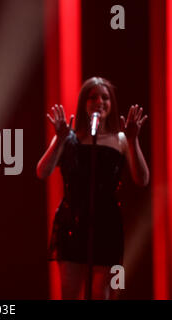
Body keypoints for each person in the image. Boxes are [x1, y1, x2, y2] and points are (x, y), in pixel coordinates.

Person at [36, 77, 149, 299]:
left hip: (107, 224)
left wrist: (133, 140)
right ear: (83, 103)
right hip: (72, 222)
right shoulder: (68, 137)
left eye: (105, 97)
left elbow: (142, 179)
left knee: (101, 292)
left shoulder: (121, 140)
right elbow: (42, 171)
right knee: (70, 291)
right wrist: (59, 140)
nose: (99, 102)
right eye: (93, 97)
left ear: (112, 103)